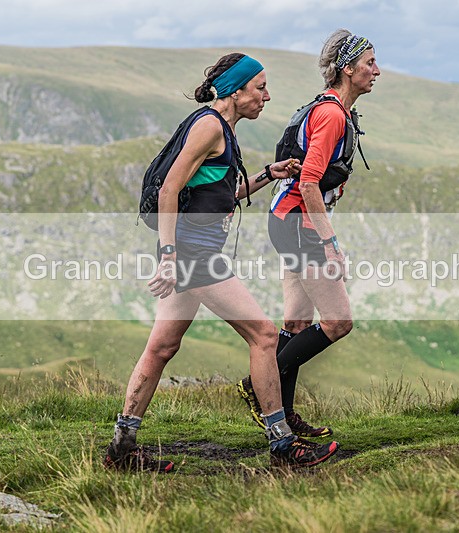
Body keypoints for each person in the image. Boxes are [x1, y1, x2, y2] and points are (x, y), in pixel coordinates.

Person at [104, 53, 340, 472]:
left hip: (193, 251)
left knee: (161, 347)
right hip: (194, 255)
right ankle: (282, 445)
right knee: (266, 336)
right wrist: (169, 257)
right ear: (236, 90)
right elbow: (169, 190)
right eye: (260, 87)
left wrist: (269, 173)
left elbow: (219, 195)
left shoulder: (221, 129)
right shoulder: (210, 126)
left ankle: (121, 449)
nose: (267, 96)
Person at [237, 30, 380, 438]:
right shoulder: (333, 114)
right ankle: (259, 382)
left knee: (297, 325)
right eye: (369, 62)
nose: (377, 70)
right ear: (347, 69)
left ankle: (282, 416)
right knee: (337, 322)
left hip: (287, 221)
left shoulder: (334, 110)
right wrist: (331, 245)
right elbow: (310, 184)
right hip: (298, 223)